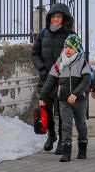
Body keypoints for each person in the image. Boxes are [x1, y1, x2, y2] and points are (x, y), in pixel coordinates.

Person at [39, 34, 92, 162]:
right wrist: (43, 96)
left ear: (77, 49)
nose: (67, 50)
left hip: (79, 99)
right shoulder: (59, 63)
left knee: (80, 124)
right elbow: (50, 80)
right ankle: (66, 152)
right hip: (63, 100)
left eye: (71, 47)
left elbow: (86, 81)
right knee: (66, 125)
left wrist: (75, 94)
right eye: (66, 47)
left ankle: (82, 148)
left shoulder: (82, 63)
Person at [32, 3, 75, 155]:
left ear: (64, 19)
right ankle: (51, 135)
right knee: (47, 108)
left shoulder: (71, 35)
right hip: (46, 78)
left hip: (63, 79)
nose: (56, 19)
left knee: (63, 110)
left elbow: (78, 55)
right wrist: (42, 69)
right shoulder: (43, 34)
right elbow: (35, 53)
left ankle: (63, 139)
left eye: (59, 17)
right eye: (53, 16)